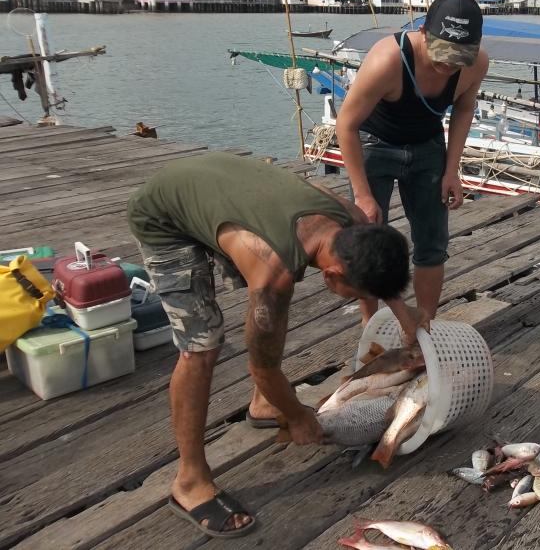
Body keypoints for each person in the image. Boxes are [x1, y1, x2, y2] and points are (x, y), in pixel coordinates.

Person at [127, 152, 411, 537]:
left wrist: (404, 314)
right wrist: (296, 415)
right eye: (354, 294)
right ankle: (189, 481)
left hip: (222, 185)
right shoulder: (273, 280)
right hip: (164, 213)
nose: (356, 299)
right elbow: (263, 365)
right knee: (202, 347)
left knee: (265, 327)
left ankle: (263, 404)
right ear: (330, 276)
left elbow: (375, 268)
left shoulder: (354, 223)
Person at [337, 0, 490, 332]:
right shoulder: (387, 60)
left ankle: (424, 327)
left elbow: (464, 108)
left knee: (433, 242)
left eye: (458, 58)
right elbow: (345, 125)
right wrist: (362, 195)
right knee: (369, 241)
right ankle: (370, 324)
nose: (448, 65)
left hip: (427, 147)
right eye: (442, 53)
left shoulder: (477, 64)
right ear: (423, 31)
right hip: (375, 145)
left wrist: (452, 171)